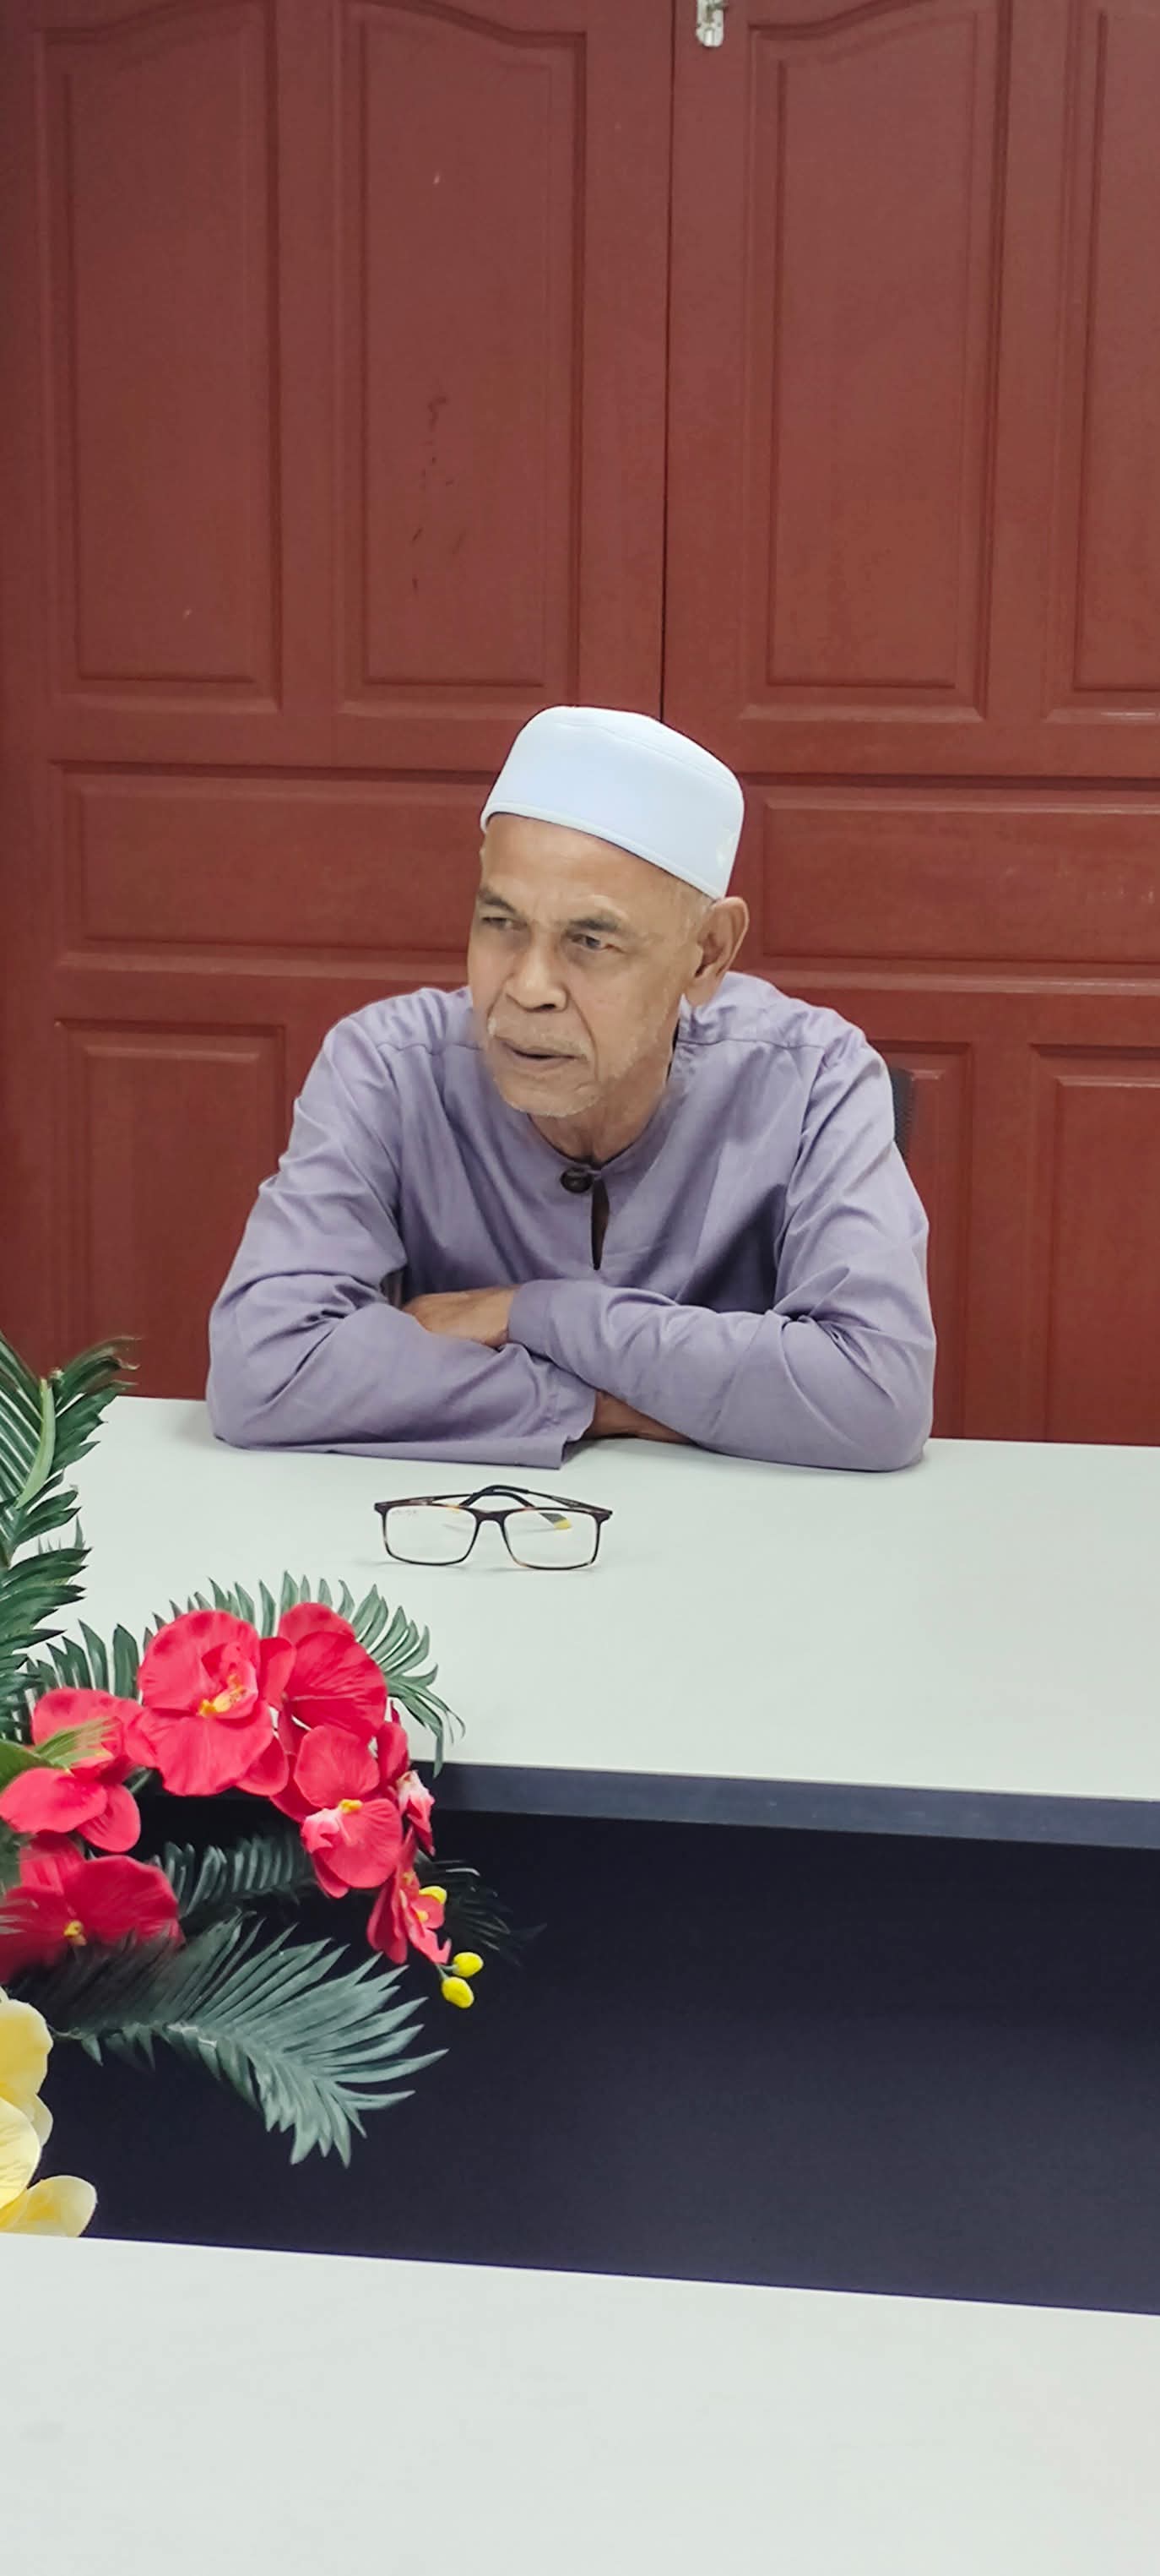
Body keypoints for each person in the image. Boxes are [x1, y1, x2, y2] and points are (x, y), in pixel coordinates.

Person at [207, 707, 935, 1470]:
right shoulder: (388, 1067)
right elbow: (265, 1370)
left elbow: (875, 1397)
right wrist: (611, 1404)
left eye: (590, 940)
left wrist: (534, 1312)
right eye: (501, 923)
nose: (528, 989)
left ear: (707, 953)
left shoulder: (816, 1075)